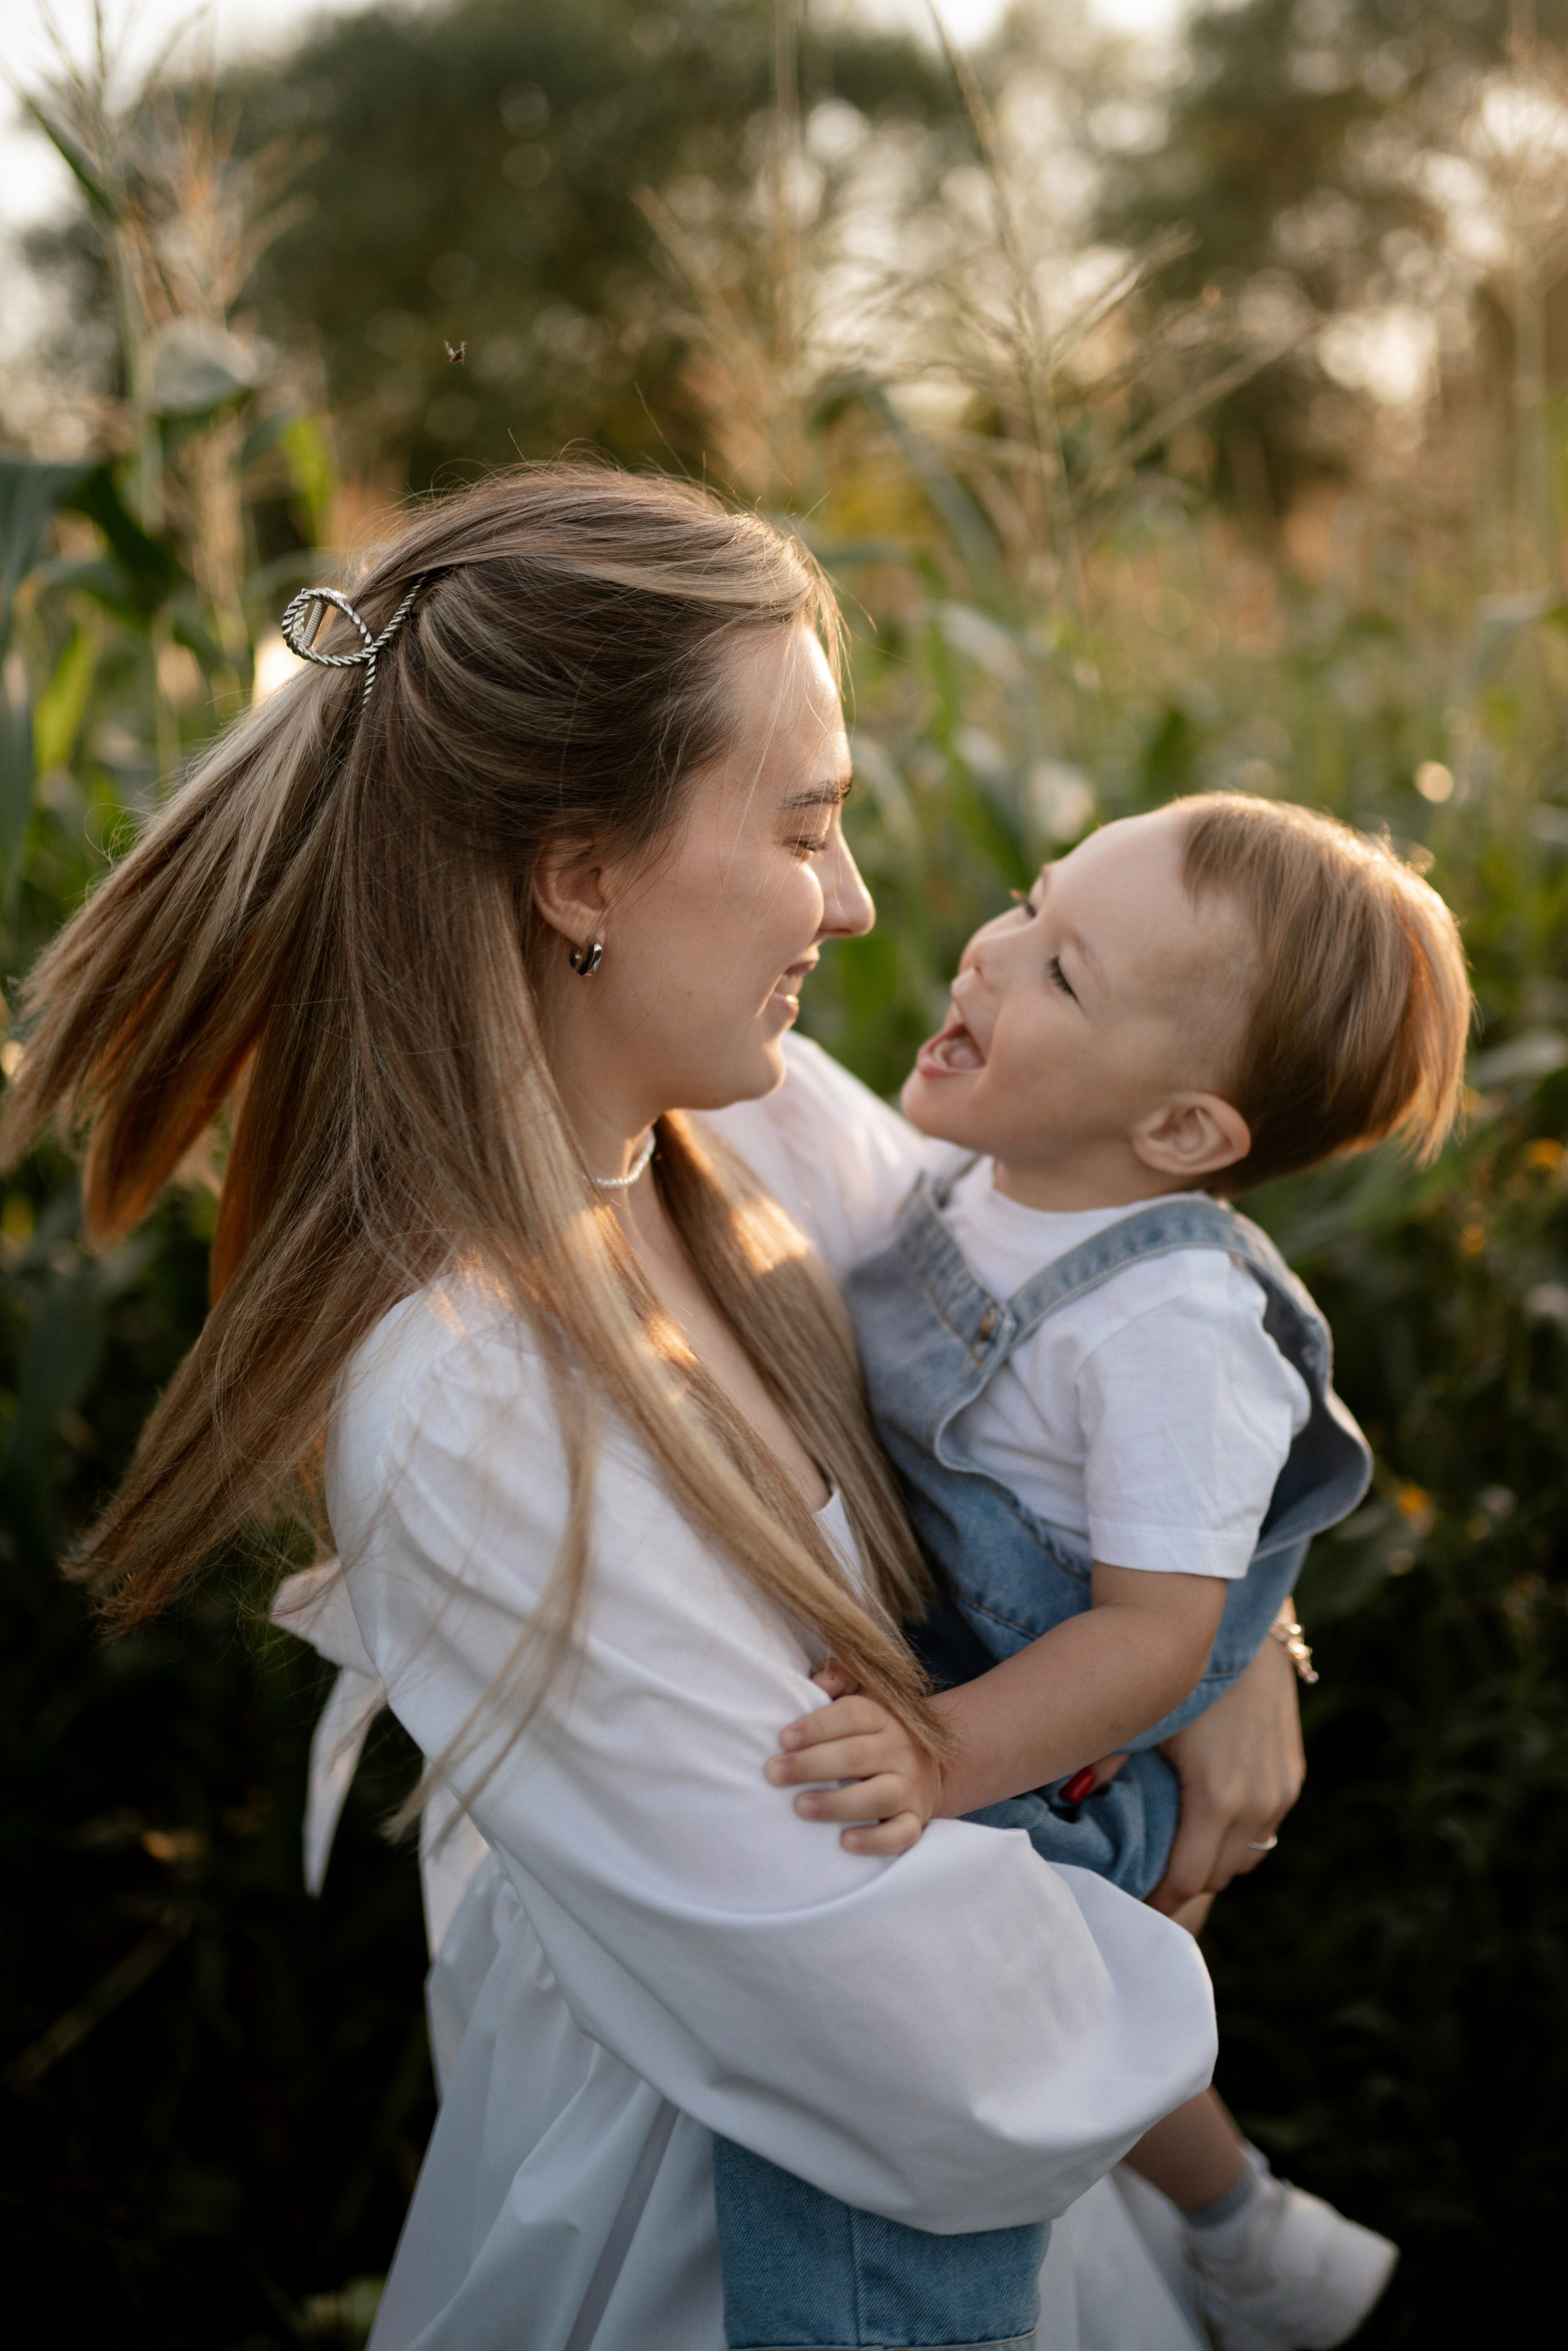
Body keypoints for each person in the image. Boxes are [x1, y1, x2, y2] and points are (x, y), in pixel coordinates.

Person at [2, 465, 1231, 2351]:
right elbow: (897, 2026)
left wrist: (1233, 1654)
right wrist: (1155, 1897)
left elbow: (1094, 1349)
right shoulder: (465, 1399)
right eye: (804, 824)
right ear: (578, 872)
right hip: (720, 2257)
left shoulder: (760, 1122)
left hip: (1016, 2199)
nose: (857, 892)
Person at [723, 796, 1469, 2351]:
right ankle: (1240, 2229)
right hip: (973, 1686)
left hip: (1050, 1744)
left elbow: (1149, 1636)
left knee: (925, 2038)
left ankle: (1004, 2292)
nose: (987, 953)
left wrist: (944, 1754)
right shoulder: (979, 1184)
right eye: (1024, 903)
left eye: (1061, 973)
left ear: (1182, 1133)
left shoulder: (1165, 1330)